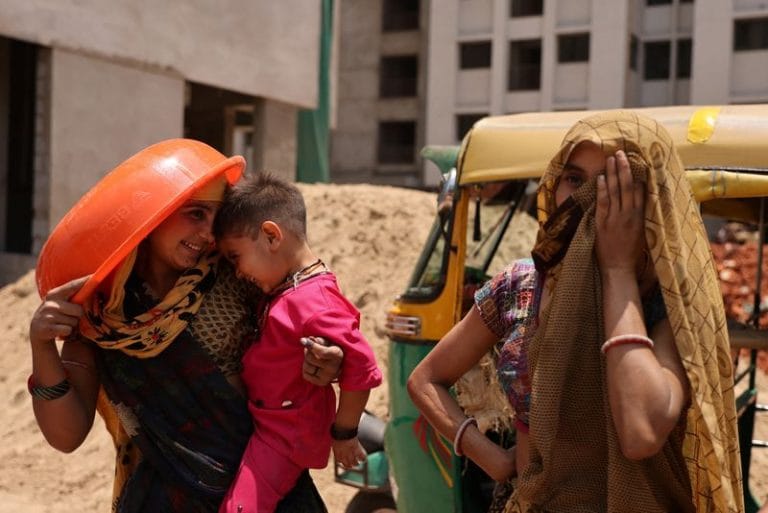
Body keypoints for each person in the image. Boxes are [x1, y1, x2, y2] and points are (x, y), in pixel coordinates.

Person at [407, 111, 743, 512]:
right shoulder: (521, 286)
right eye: (575, 180)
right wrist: (494, 460)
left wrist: (617, 270)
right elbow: (425, 380)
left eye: (616, 182)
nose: (592, 198)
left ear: (652, 196)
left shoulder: (671, 304)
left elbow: (640, 433)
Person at [28, 140, 344, 513]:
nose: (210, 234)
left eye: (217, 217)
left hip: (262, 490)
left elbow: (309, 325)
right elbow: (65, 436)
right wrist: (42, 346)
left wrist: (329, 360)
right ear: (152, 217)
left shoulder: (240, 279)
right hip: (163, 497)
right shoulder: (102, 318)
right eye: (195, 214)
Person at [213, 173, 382, 513]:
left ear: (271, 236)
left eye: (235, 257)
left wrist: (344, 432)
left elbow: (362, 365)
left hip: (282, 433)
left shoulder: (312, 299)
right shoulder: (293, 288)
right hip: (271, 422)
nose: (237, 272)